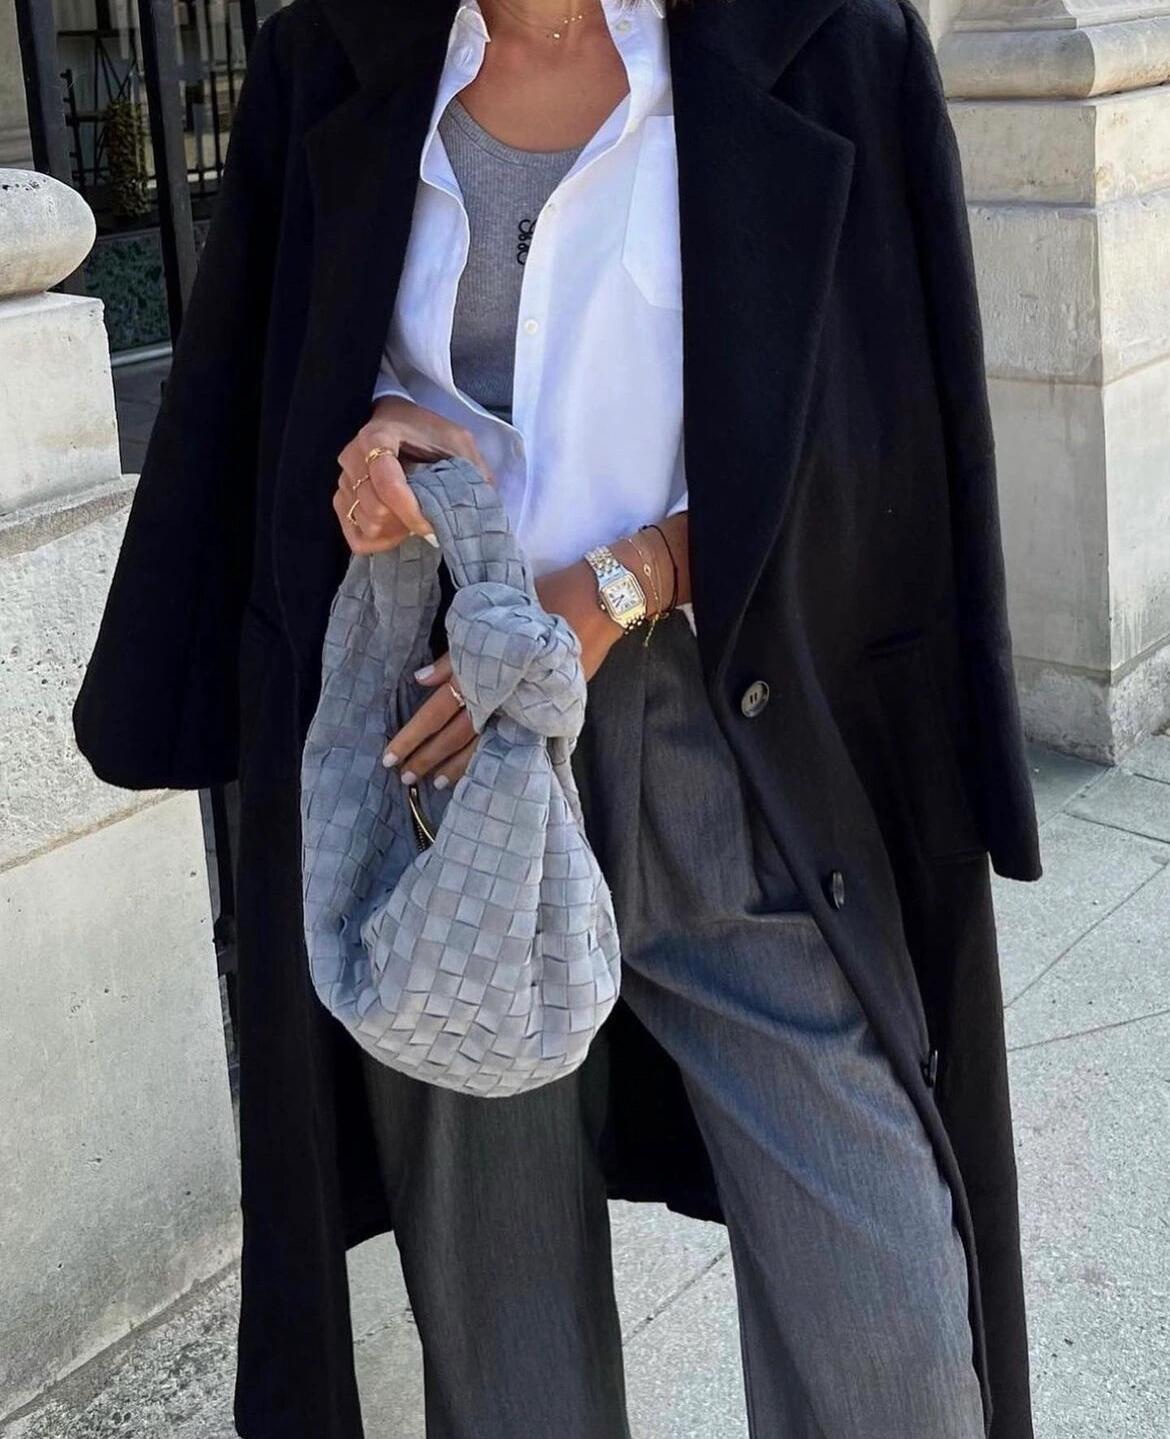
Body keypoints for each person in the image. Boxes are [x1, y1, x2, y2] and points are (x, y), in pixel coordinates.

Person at [72, 0, 1044, 1436]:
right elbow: (275, 398)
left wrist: (623, 582)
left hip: (728, 737)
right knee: (505, 1336)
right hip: (448, 738)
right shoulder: (333, 60)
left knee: (883, 1302)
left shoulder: (825, 47)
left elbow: (879, 451)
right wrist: (374, 457)